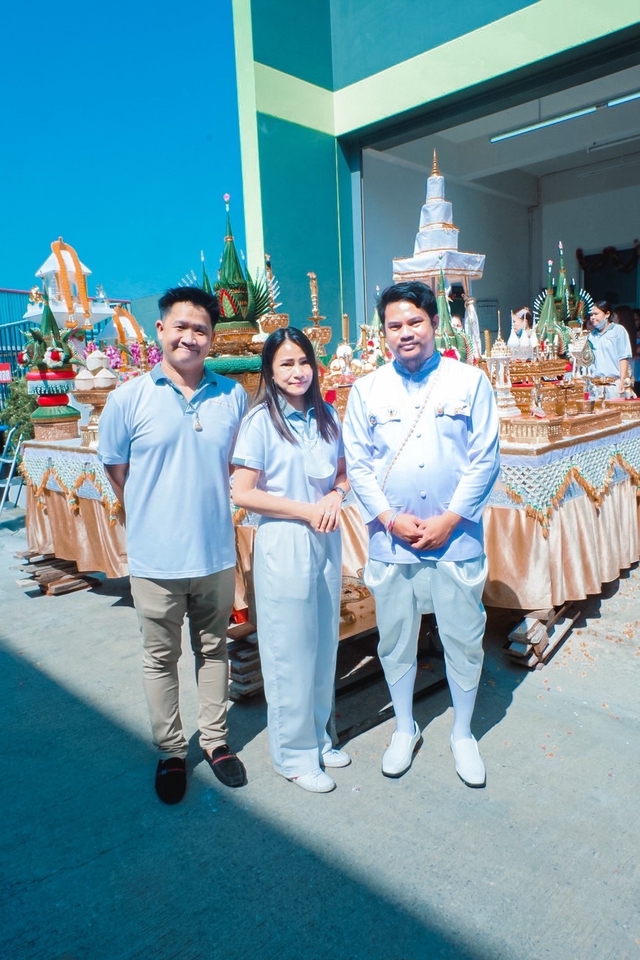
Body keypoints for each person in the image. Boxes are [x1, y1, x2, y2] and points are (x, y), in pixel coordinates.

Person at [343, 281, 500, 787]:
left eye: (415, 321)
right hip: (394, 541)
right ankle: (404, 727)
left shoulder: (469, 381)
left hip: (456, 538)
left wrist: (451, 519)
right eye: (395, 325)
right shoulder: (366, 390)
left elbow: (485, 459)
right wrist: (388, 518)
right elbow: (358, 466)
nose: (405, 332)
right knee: (395, 639)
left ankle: (462, 732)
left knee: (464, 636)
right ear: (383, 332)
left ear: (434, 323)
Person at [98, 286, 248, 804]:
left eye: (200, 329)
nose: (190, 337)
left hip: (215, 554)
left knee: (214, 650)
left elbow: (237, 467)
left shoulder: (232, 396)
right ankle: (170, 752)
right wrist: (156, 512)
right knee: (160, 658)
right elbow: (117, 471)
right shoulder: (127, 398)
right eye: (180, 326)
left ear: (212, 338)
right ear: (160, 330)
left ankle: (217, 742)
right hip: (156, 559)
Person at [231, 327, 350, 793]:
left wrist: (336, 497)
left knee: (323, 644)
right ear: (270, 370)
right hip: (284, 540)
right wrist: (306, 510)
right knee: (290, 651)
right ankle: (293, 756)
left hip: (326, 538)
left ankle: (320, 737)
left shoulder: (327, 414)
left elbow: (342, 475)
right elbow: (243, 492)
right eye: (286, 363)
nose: (297, 371)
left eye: (303, 361)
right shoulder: (260, 421)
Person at [587, 300, 632, 398]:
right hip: (595, 386)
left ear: (607, 314)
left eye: (596, 314)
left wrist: (622, 380)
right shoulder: (591, 336)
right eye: (591, 315)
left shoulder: (618, 330)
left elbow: (623, 357)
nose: (592, 317)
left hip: (614, 384)